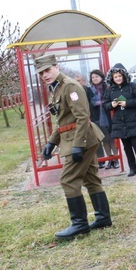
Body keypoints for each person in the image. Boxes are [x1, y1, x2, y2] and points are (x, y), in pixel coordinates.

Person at [36, 54, 112, 239]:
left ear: (56, 66)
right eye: (41, 73)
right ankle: (103, 218)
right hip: (75, 137)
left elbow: (82, 117)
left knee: (68, 180)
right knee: (91, 179)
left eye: (47, 70)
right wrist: (51, 142)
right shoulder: (56, 87)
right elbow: (63, 120)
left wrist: (78, 146)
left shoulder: (69, 86)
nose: (45, 75)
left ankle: (79, 224)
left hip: (80, 139)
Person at [103, 66, 136, 178]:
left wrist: (127, 103)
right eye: (115, 77)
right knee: (126, 147)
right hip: (119, 122)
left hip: (132, 120)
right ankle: (132, 168)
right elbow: (105, 105)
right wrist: (111, 105)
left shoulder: (131, 86)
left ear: (124, 76)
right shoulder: (110, 90)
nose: (118, 78)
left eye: (119, 76)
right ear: (112, 78)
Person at [89, 69, 119, 170]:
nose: (95, 79)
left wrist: (105, 104)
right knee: (104, 140)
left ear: (101, 77)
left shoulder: (107, 87)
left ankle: (116, 159)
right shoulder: (90, 90)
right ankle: (109, 160)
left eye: (96, 76)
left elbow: (113, 99)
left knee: (111, 139)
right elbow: (90, 103)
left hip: (108, 116)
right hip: (96, 118)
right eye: (93, 77)